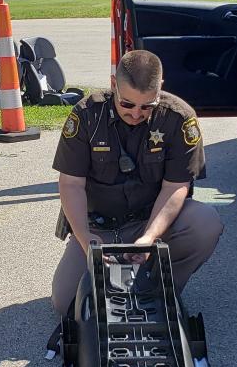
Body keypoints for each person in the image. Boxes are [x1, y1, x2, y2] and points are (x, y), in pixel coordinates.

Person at [50, 50, 223, 315]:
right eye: (127, 104)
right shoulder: (86, 115)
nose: (136, 113)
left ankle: (158, 287)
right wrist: (86, 239)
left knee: (206, 223)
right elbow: (71, 184)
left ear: (160, 89)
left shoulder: (178, 118)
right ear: (113, 85)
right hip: (98, 229)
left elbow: (175, 187)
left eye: (147, 106)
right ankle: (110, 283)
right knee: (67, 305)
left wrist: (150, 237)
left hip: (149, 222)